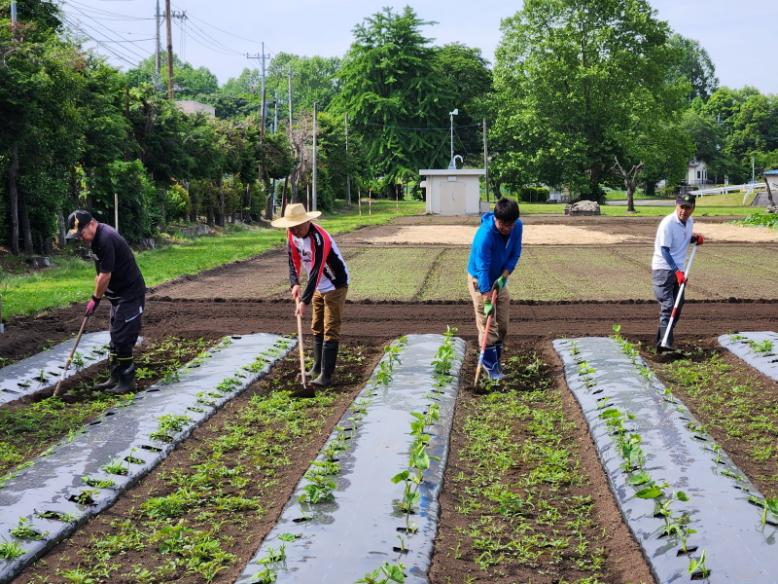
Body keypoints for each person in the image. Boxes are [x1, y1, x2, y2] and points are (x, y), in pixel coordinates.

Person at [66, 210, 146, 393]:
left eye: (81, 234)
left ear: (92, 224)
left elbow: (105, 275)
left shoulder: (105, 238)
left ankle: (127, 382)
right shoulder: (94, 241)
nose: (80, 238)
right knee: (114, 337)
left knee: (122, 337)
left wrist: (95, 299)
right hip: (118, 296)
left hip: (130, 295)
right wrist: (97, 295)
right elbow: (100, 273)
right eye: (77, 236)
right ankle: (115, 378)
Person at [272, 203, 349, 389]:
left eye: (298, 226)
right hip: (318, 287)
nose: (295, 231)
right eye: (291, 227)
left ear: (307, 222)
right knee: (316, 326)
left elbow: (316, 269)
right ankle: (316, 369)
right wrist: (295, 283)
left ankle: (326, 376)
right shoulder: (292, 235)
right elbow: (293, 260)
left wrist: (304, 301)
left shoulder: (319, 238)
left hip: (334, 285)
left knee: (330, 327)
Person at [467, 197, 523, 380]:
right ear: (495, 219)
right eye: (503, 225)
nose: (507, 229)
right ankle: (492, 370)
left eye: (510, 225)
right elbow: (483, 268)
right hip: (480, 280)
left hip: (499, 279)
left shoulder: (517, 227)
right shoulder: (485, 235)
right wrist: (486, 298)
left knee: (503, 325)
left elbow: (515, 252)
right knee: (488, 325)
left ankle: (495, 362)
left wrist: (504, 277)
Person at [651, 194, 704, 352]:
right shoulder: (668, 223)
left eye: (688, 207)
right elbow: (665, 250)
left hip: (679, 270)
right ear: (676, 205)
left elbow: (682, 238)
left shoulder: (689, 222)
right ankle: (666, 344)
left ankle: (661, 339)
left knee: (678, 305)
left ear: (693, 208)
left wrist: (694, 238)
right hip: (663, 269)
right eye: (682, 207)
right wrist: (676, 272)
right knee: (668, 305)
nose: (684, 211)